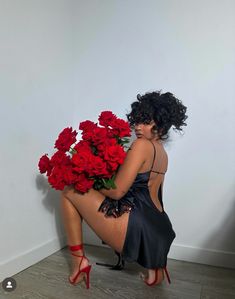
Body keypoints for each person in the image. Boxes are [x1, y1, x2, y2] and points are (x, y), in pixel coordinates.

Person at [61, 90, 188, 289]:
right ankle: (156, 269)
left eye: (145, 121)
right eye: (137, 121)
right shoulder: (162, 153)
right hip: (159, 226)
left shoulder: (142, 145)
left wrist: (88, 181)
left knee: (69, 190)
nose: (138, 127)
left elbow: (117, 192)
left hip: (136, 226)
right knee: (75, 189)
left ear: (161, 124)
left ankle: (79, 262)